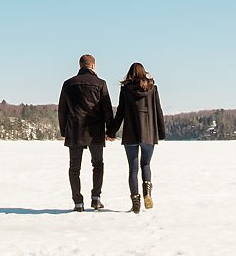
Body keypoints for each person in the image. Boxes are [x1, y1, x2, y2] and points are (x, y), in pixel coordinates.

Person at [107, 62, 165, 214]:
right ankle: (147, 192)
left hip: (130, 134)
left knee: (133, 169)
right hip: (149, 133)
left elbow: (120, 112)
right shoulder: (153, 88)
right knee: (145, 164)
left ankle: (135, 202)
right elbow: (158, 110)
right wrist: (162, 132)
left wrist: (112, 132)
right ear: (144, 72)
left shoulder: (125, 90)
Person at [58, 54, 114, 211]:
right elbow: (107, 109)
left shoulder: (68, 84)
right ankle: (96, 198)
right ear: (93, 66)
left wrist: (64, 131)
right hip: (95, 130)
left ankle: (78, 202)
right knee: (98, 164)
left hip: (74, 130)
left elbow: (62, 110)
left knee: (74, 167)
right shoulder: (100, 83)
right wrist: (110, 131)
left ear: (80, 65)